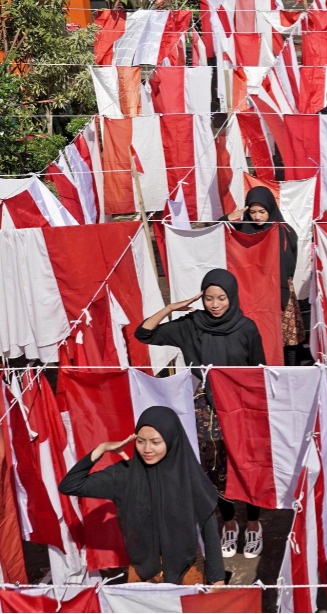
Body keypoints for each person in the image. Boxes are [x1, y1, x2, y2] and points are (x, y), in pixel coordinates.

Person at [134, 269, 266, 560]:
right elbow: (143, 333)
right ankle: (229, 521)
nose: (215, 304)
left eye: (221, 298)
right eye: (208, 298)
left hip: (241, 408)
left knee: (246, 464)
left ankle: (254, 522)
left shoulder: (247, 328)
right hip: (205, 410)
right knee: (215, 468)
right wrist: (171, 308)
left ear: (232, 297)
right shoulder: (191, 325)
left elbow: (259, 371)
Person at [59, 406, 225, 586]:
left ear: (171, 440)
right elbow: (70, 485)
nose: (147, 449)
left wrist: (217, 579)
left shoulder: (189, 475)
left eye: (155, 442)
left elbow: (209, 528)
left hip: (187, 568)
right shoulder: (124, 474)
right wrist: (102, 448)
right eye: (140, 441)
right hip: (142, 572)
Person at [222, 187, 305, 365]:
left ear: (271, 209)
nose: (257, 217)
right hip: (251, 290)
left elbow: (289, 264)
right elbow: (213, 237)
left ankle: (291, 373)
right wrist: (225, 219)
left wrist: (278, 285)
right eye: (252, 212)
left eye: (262, 211)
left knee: (287, 337)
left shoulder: (284, 231)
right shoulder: (240, 230)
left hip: (278, 287)